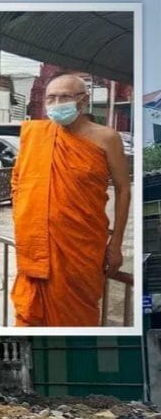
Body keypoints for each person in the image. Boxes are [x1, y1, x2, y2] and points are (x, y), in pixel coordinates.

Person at [11, 73, 131, 326]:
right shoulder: (35, 135)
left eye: (64, 97)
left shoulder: (107, 138)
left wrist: (116, 243)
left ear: (83, 100)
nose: (56, 103)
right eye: (51, 98)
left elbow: (123, 189)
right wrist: (26, 223)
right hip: (36, 245)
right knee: (30, 318)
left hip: (81, 245)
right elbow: (18, 182)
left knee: (77, 321)